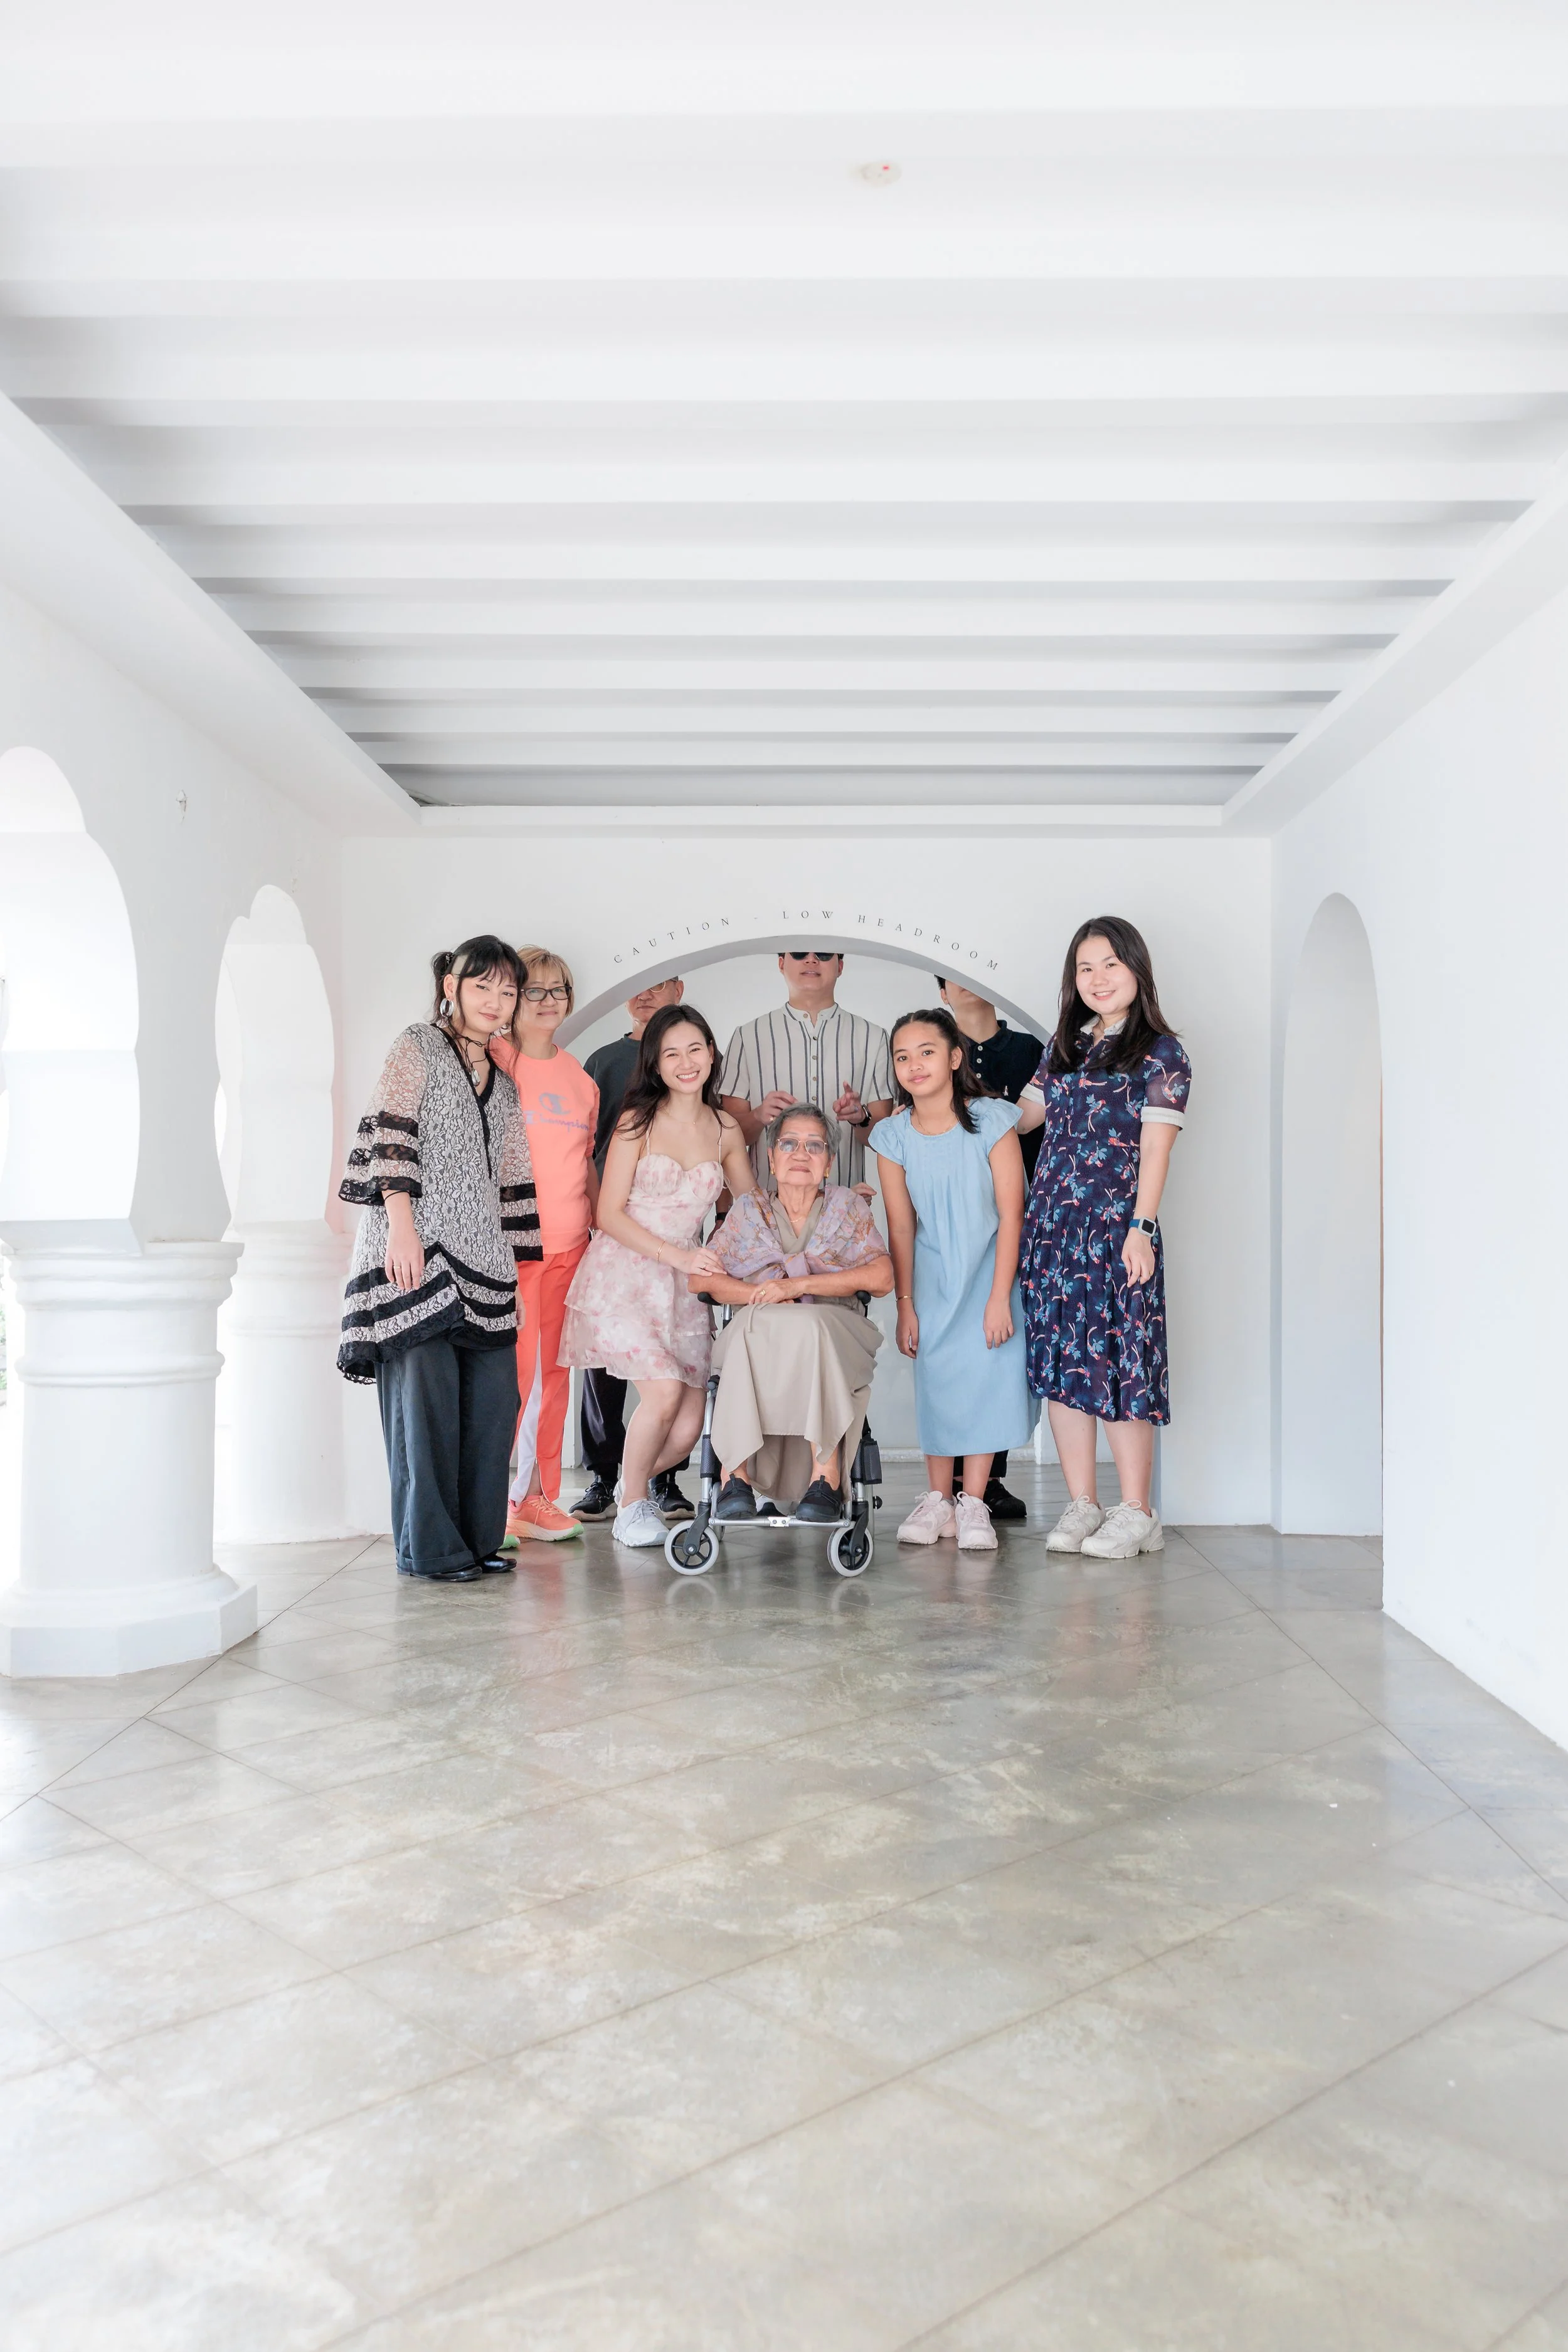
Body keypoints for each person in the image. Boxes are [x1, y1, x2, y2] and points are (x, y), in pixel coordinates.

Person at [336, 936, 541, 1582]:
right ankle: (431, 1549)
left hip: (483, 1261)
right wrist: (401, 1229)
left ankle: (478, 1540)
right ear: (451, 985)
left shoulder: (504, 1084)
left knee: (489, 1407)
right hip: (413, 1250)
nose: (496, 1001)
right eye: (483, 987)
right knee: (423, 1408)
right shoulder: (417, 1046)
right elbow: (390, 1133)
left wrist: (511, 1264)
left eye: (507, 990)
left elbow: (509, 1177)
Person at [1015, 916, 1190, 1562]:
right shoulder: (1063, 1045)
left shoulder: (1161, 1052)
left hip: (1118, 1232)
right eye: (1084, 968)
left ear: (1137, 970)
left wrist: (1140, 1228)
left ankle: (1137, 1511)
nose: (1097, 979)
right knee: (1065, 1371)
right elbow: (1024, 1117)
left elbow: (1156, 1148)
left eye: (1110, 965)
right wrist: (944, 1110)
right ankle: (1083, 1502)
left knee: (1121, 1365)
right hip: (1053, 1230)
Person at [559, 1005, 755, 1549]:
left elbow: (751, 1209)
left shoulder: (725, 1129)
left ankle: (632, 1484)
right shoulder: (636, 1121)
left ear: (712, 1054)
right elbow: (610, 1214)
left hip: (685, 1286)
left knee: (689, 1427)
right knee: (664, 1394)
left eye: (695, 1049)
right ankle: (630, 1510)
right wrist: (676, 1255)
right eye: (672, 1053)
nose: (686, 1062)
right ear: (656, 1064)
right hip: (627, 1269)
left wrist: (830, 1207)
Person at [869, 1008, 1035, 1553]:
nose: (914, 1065)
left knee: (986, 1378)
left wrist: (998, 1298)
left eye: (926, 1052)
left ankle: (974, 1503)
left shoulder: (992, 1119)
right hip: (932, 1274)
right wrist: (906, 1303)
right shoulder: (892, 1135)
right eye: (902, 1056)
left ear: (955, 1058)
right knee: (937, 1381)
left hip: (991, 1270)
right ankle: (938, 1500)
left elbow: (1013, 1214)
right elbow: (900, 1224)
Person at [699, 1103, 895, 1521]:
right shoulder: (748, 1209)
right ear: (771, 1158)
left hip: (836, 1327)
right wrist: (760, 1293)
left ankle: (825, 1479)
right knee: (751, 1327)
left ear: (829, 1162)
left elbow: (882, 1277)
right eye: (788, 1144)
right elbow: (702, 1279)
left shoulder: (848, 1207)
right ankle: (736, 1479)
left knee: (810, 1326)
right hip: (761, 1330)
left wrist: (799, 1285)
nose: (800, 1154)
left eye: (814, 1146)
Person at [487, 945, 596, 1544]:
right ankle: (493, 1500)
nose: (549, 1001)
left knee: (554, 1378)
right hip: (510, 1250)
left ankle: (537, 1498)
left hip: (570, 1250)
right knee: (513, 1379)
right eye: (536, 990)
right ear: (512, 1000)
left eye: (559, 991)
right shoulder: (493, 1062)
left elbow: (582, 1168)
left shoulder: (580, 1081)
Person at [573, 975, 692, 1526]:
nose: (644, 995)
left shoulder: (696, 1079)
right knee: (607, 1368)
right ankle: (604, 1477)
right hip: (618, 1236)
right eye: (636, 986)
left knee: (674, 1367)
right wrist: (600, 1219)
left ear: (679, 989)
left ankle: (660, 1481)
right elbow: (585, 1148)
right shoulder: (604, 1060)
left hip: (680, 1261)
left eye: (657, 985)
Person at [935, 974, 1046, 1525]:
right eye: (951, 980)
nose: (965, 987)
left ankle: (990, 1480)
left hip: (1011, 1207)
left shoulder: (1028, 1049)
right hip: (953, 1213)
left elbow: (1043, 1129)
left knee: (999, 1343)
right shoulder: (936, 1045)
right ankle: (949, 1482)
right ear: (941, 994)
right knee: (948, 1345)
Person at [721, 949, 894, 1191]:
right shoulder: (747, 1037)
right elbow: (727, 1141)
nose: (811, 960)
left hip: (846, 1207)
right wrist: (759, 1115)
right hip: (767, 1210)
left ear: (840, 966)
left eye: (823, 954)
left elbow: (884, 1141)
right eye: (800, 953)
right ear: (781, 963)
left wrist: (861, 1118)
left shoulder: (874, 1038)